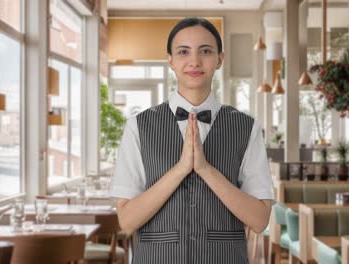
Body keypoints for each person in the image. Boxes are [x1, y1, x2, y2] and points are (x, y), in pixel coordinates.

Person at [110, 17, 275, 264]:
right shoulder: (138, 126)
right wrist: (180, 170)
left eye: (205, 51)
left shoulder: (246, 127)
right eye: (183, 51)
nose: (194, 61)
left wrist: (206, 170)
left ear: (220, 59)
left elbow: (260, 220)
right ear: (170, 60)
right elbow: (127, 220)